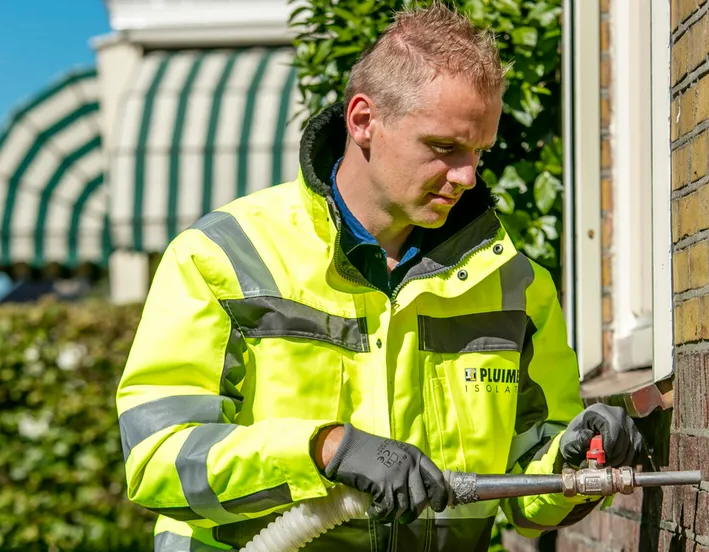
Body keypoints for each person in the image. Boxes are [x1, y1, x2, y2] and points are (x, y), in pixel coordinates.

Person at [116, 4, 643, 551]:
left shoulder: (516, 285)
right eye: (443, 148)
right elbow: (157, 459)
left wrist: (570, 459)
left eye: (478, 153)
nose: (466, 175)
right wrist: (323, 450)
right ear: (363, 120)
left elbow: (530, 493)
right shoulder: (222, 258)